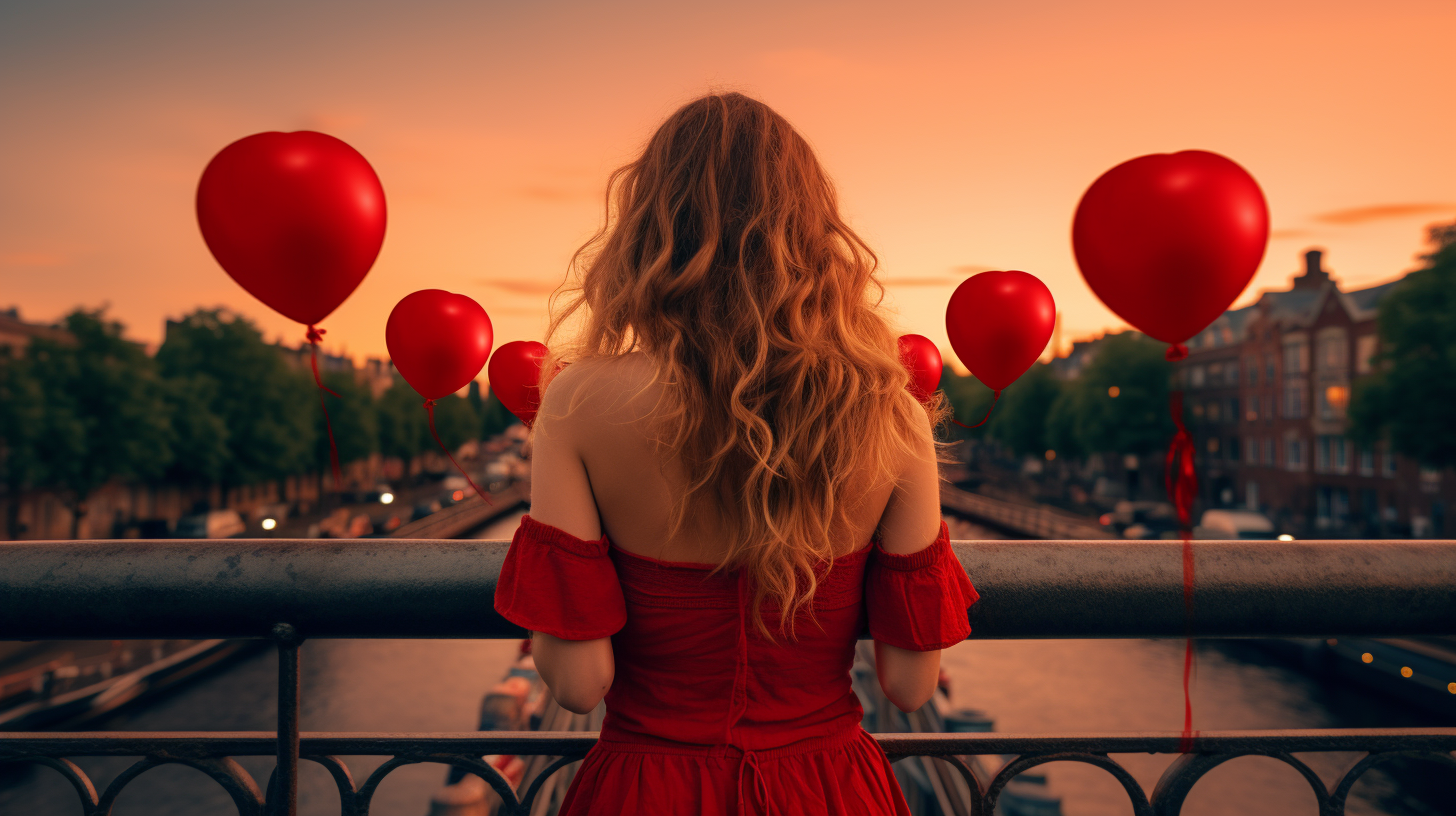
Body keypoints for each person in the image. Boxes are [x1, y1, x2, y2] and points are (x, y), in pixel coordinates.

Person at [494, 92, 979, 816]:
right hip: (827, 788)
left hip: (648, 787)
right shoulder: (894, 416)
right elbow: (909, 686)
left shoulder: (578, 403)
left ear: (648, 224)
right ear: (814, 229)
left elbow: (577, 684)